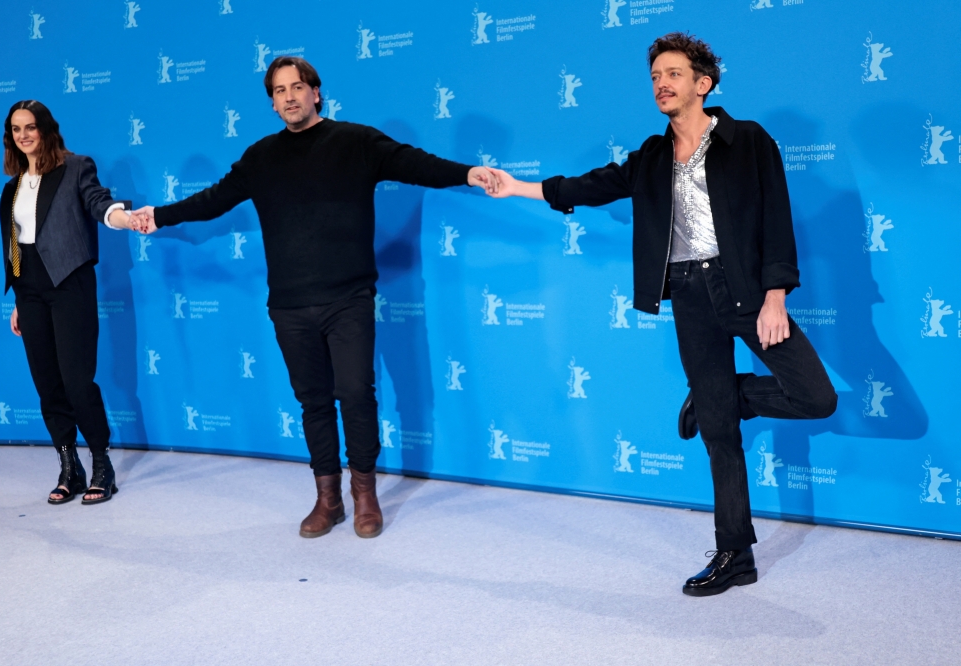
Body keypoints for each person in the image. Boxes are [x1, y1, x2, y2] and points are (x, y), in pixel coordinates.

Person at [486, 33, 837, 596]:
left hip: (745, 290)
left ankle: (724, 396)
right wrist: (517, 187)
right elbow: (587, 187)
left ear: (703, 83)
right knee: (720, 436)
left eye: (673, 74)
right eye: (654, 77)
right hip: (689, 294)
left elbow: (777, 219)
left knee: (816, 397)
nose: (661, 84)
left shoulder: (748, 141)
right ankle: (735, 556)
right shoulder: (650, 156)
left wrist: (777, 296)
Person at [130, 56, 498, 539]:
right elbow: (213, 200)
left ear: (316, 92)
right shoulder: (261, 156)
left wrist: (467, 172)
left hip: (348, 298)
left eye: (297, 87)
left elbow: (415, 163)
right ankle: (328, 499)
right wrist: (158, 215)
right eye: (279, 91)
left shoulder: (356, 141)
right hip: (289, 304)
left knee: (356, 395)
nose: (288, 97)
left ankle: (364, 494)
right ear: (272, 101)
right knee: (313, 403)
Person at [0, 100, 135, 504]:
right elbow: (16, 245)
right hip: (31, 291)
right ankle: (68, 466)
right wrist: (20, 296)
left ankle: (100, 463)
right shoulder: (12, 187)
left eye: (30, 127)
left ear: (45, 129)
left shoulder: (76, 167)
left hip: (70, 283)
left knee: (77, 380)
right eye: (16, 130)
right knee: (48, 384)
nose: (23, 135)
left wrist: (120, 216)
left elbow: (98, 203)